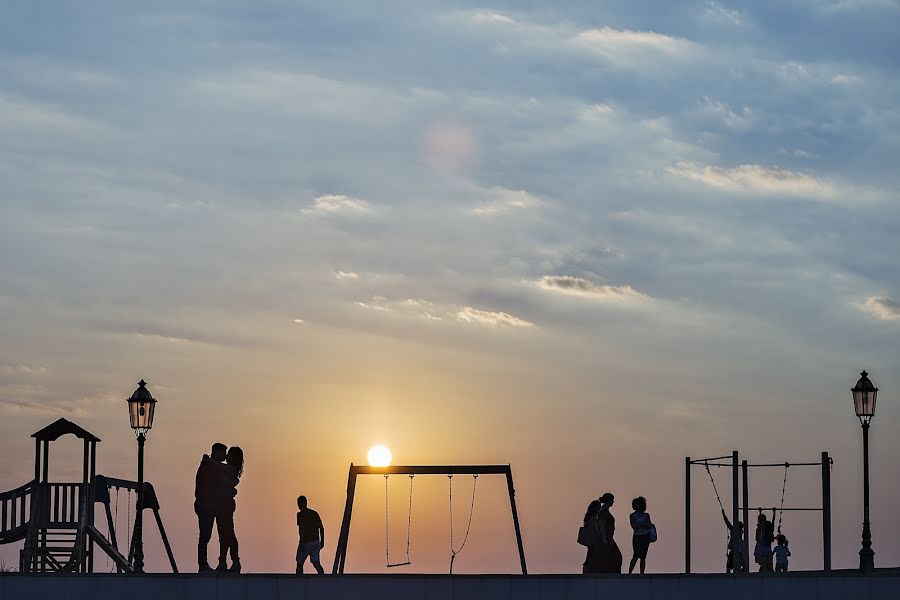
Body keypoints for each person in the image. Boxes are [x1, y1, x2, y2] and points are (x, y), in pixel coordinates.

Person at [194, 442, 227, 572]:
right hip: (206, 506)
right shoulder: (209, 466)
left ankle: (203, 564)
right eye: (223, 452)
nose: (225, 455)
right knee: (205, 536)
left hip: (206, 505)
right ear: (217, 452)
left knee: (205, 536)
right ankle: (203, 564)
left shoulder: (209, 465)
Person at [216, 446, 243, 573]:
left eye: (229, 454)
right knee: (224, 534)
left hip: (226, 504)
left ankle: (234, 561)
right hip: (223, 504)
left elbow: (219, 467)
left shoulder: (229, 468)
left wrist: (209, 460)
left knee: (228, 533)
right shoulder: (230, 469)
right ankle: (223, 561)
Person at [296, 495, 326, 574]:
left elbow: (301, 529)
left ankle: (299, 581)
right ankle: (323, 578)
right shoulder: (314, 513)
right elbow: (321, 528)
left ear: (303, 503)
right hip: (316, 542)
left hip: (306, 542)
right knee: (316, 563)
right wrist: (322, 541)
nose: (298, 506)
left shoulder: (300, 515)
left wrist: (302, 543)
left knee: (299, 563)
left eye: (299, 504)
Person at [596, 492, 623, 573]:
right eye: (612, 500)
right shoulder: (603, 511)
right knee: (616, 557)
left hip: (609, 538)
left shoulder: (604, 510)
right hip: (606, 539)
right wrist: (604, 539)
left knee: (614, 557)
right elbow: (601, 525)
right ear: (609, 500)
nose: (613, 502)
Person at [628, 496, 653, 574]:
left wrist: (640, 524)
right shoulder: (632, 515)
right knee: (635, 555)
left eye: (634, 504)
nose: (633, 506)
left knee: (643, 557)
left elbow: (649, 525)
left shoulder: (646, 515)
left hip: (645, 537)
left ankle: (642, 573)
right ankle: (630, 572)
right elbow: (633, 526)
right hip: (637, 537)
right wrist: (643, 524)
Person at [581, 500, 604, 574]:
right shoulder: (592, 519)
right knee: (591, 556)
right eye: (598, 508)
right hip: (593, 540)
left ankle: (587, 570)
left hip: (591, 540)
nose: (599, 509)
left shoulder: (589, 518)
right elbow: (594, 530)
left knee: (590, 555)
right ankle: (587, 571)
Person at [721, 509, 745, 573]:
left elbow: (727, 522)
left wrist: (723, 514)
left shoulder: (734, 530)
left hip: (734, 551)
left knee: (729, 566)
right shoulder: (741, 532)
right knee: (737, 566)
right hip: (739, 552)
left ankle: (728, 576)